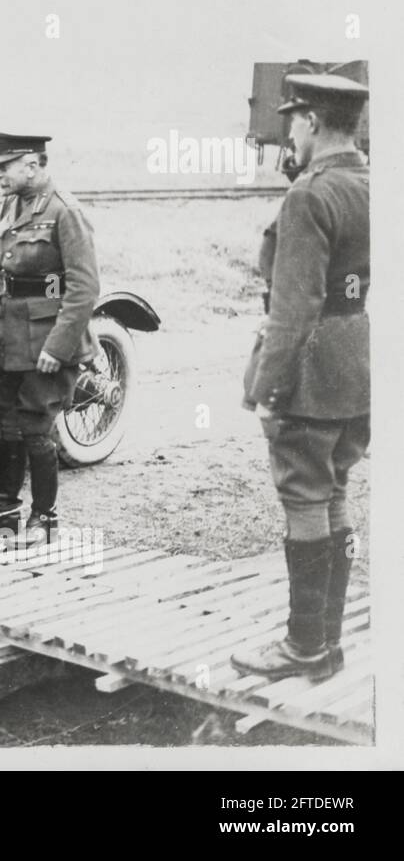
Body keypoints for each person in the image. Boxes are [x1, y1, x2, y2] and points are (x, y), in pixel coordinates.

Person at [232, 73, 370, 681]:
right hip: (358, 367)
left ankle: (302, 646)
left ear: (311, 121)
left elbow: (293, 310)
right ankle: (326, 643)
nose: (288, 131)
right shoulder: (371, 183)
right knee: (334, 492)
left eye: (292, 120)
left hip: (311, 373)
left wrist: (269, 388)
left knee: (304, 500)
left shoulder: (310, 195)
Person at [0, 133, 100, 546]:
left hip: (48, 337)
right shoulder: (13, 203)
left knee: (36, 425)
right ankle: (3, 513)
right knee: (8, 422)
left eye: (5, 165)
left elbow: (84, 288)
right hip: (14, 333)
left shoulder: (65, 211)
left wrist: (59, 346)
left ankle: (45, 518)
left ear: (32, 165)